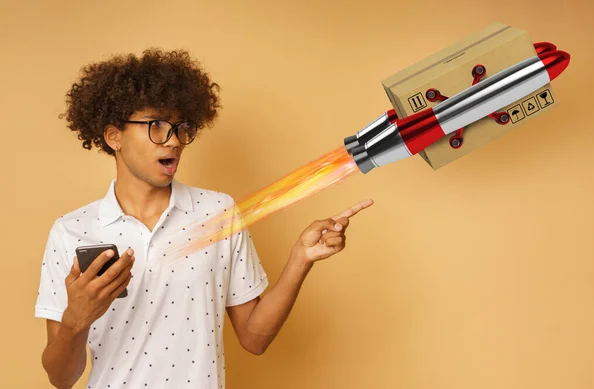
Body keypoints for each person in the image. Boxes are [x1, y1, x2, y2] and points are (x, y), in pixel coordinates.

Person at [34, 48, 373, 389]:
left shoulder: (217, 213)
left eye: (182, 128)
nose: (175, 141)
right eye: (156, 126)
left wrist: (301, 258)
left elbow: (255, 338)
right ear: (114, 137)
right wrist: (76, 319)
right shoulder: (71, 231)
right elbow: (61, 378)